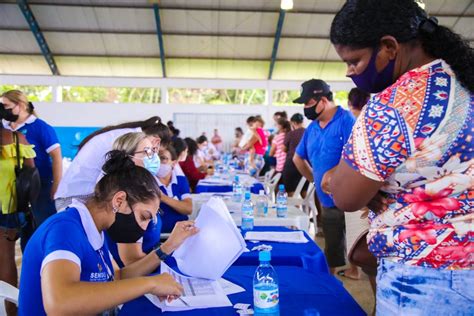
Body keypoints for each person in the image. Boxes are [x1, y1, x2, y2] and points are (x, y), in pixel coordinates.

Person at [328, 0, 473, 314]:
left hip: (426, 282)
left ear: (388, 47)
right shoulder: (464, 81)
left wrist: (342, 182)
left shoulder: (393, 106)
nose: (350, 71)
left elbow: (346, 196)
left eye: (354, 60)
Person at [19, 150, 198, 315]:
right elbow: (60, 303)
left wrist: (167, 248)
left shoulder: (97, 228)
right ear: (119, 200)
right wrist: (150, 283)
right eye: (144, 217)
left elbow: (116, 277)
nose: (143, 228)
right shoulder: (65, 229)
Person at [293, 79, 355, 275]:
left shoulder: (346, 120)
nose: (306, 108)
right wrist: (315, 180)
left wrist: (333, 174)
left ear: (323, 100)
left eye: (309, 103)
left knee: (358, 249)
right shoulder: (312, 128)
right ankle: (330, 280)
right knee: (332, 245)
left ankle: (358, 274)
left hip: (351, 197)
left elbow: (355, 155)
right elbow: (298, 158)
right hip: (326, 199)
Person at [55, 116, 170, 210]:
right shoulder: (129, 140)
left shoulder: (128, 136)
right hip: (74, 200)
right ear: (156, 140)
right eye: (151, 151)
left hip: (78, 197)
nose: (152, 157)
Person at [1, 90, 63, 250]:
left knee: (42, 223)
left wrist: (56, 184)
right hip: (14, 189)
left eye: (6, 105)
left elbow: (56, 156)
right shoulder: (4, 127)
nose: (3, 109)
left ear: (20, 105)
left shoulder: (40, 127)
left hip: (39, 184)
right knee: (24, 228)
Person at [105, 132, 161, 267]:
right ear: (128, 157)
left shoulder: (142, 186)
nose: (153, 157)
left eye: (153, 151)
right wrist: (169, 250)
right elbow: (131, 260)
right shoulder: (125, 196)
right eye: (147, 152)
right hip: (133, 274)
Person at [0, 104, 36, 316]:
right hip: (9, 206)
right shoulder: (16, 139)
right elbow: (31, 172)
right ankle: (9, 309)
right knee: (6, 258)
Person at [157, 145, 192, 233]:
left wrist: (163, 198)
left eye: (163, 158)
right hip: (160, 236)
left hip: (183, 233)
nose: (158, 162)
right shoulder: (148, 181)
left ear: (174, 163)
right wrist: (177, 204)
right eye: (155, 158)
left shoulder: (180, 179)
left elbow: (188, 209)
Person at [281, 113, 306, 196]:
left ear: (294, 123)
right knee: (305, 192)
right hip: (307, 164)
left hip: (291, 164)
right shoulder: (309, 132)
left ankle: (295, 207)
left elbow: (283, 149)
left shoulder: (291, 134)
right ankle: (307, 209)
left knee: (291, 192)